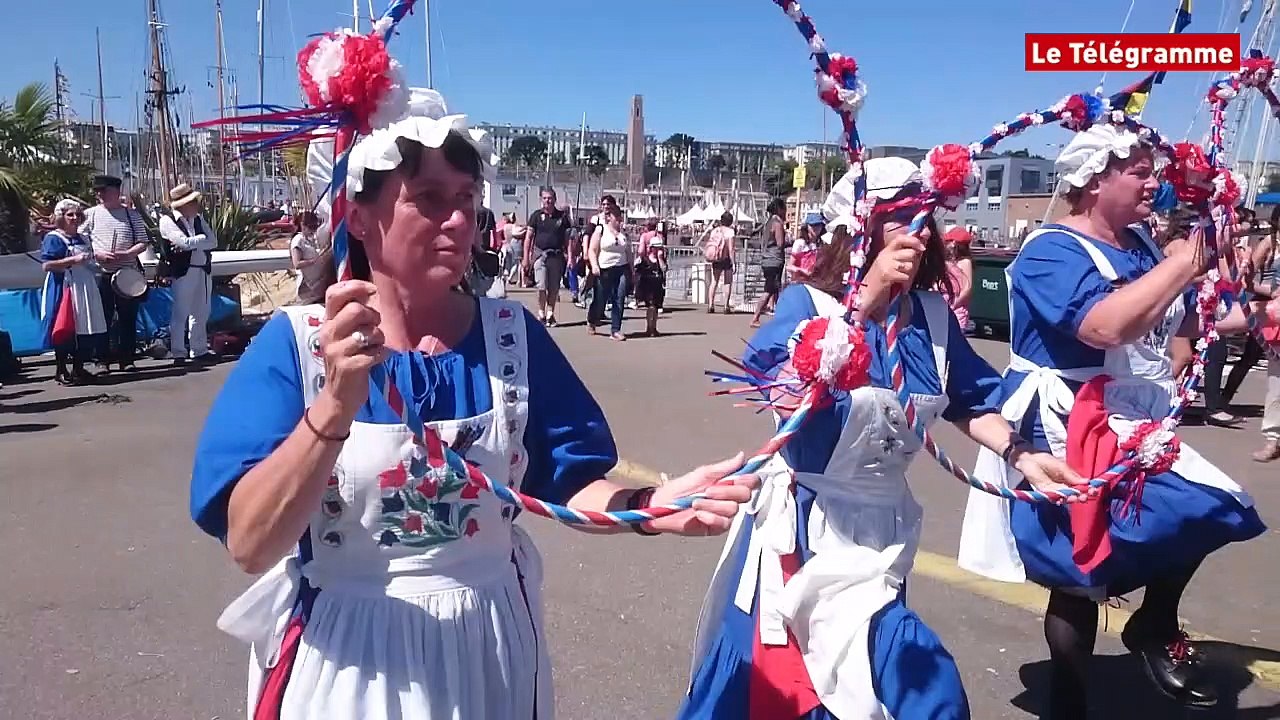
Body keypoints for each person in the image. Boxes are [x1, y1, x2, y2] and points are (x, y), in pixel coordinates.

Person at [190, 88, 759, 719]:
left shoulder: (511, 337)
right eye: (429, 199)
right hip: (350, 663)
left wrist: (653, 506)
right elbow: (250, 543)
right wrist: (333, 409)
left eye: (466, 198)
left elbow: (567, 480)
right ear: (358, 216)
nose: (460, 220)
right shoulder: (298, 347)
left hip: (490, 650)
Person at [680, 158, 1089, 720]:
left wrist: (1025, 456)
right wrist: (864, 300)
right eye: (900, 218)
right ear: (860, 230)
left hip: (885, 534)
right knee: (855, 685)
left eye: (924, 218)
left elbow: (969, 401)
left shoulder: (934, 319)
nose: (916, 232)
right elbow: (779, 397)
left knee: (863, 686)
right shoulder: (808, 305)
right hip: (805, 533)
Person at [959, 124, 1265, 717]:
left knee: (1213, 505)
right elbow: (1103, 326)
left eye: (1154, 172)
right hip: (1065, 417)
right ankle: (1072, 701)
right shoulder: (1050, 249)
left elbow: (1177, 319)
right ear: (1095, 180)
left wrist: (1248, 315)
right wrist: (1187, 262)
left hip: (1130, 412)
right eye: (1140, 172)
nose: (1154, 183)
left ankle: (1153, 621)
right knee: (1080, 571)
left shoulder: (1141, 244)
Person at [80, 174, 150, 371]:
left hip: (127, 274)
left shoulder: (132, 215)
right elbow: (81, 241)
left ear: (116, 192)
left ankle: (127, 359)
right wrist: (98, 254)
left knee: (128, 317)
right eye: (97, 191)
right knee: (102, 317)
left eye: (104, 191)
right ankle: (101, 359)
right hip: (101, 273)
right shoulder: (90, 214)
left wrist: (127, 253)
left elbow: (143, 242)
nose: (100, 195)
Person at [39, 199, 107, 385]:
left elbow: (90, 260)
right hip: (64, 285)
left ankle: (79, 367)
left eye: (77, 214)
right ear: (61, 217)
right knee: (65, 325)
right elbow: (47, 265)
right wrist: (73, 260)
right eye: (70, 215)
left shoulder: (83, 238)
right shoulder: (54, 238)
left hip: (85, 284)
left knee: (85, 325)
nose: (75, 218)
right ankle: (61, 369)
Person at [157, 183, 218, 363]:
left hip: (202, 268)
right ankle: (178, 352)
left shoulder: (198, 219)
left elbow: (213, 241)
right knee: (181, 312)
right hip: (183, 271)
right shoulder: (167, 220)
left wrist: (194, 242)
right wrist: (200, 240)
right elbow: (183, 243)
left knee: (201, 311)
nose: (196, 205)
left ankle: (199, 349)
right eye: (193, 202)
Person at [523, 188, 572, 326]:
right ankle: (541, 312)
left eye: (550, 198)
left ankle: (550, 313)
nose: (547, 201)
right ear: (541, 200)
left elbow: (568, 239)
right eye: (544, 198)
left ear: (554, 199)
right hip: (540, 255)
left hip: (556, 256)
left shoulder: (562, 217)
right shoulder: (536, 216)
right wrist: (526, 258)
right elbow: (528, 238)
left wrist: (570, 257)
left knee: (554, 287)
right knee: (541, 286)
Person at [587, 206, 632, 340]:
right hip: (605, 268)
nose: (618, 219)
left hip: (621, 267)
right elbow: (592, 249)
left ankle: (615, 329)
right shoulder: (601, 229)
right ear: (608, 217)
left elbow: (628, 252)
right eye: (615, 216)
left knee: (619, 297)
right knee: (600, 299)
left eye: (619, 216)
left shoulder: (623, 234)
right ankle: (592, 319)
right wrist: (594, 265)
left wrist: (632, 269)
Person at [751, 198, 788, 328]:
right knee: (769, 289)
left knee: (774, 288)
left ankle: (778, 316)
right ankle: (755, 317)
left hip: (766, 259)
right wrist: (791, 241)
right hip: (774, 260)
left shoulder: (768, 222)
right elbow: (780, 243)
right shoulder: (777, 223)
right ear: (780, 209)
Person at [289, 211, 333, 305]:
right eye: (311, 227)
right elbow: (297, 264)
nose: (313, 230)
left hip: (317, 285)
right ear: (303, 225)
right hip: (308, 287)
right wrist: (312, 261)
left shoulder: (308, 240)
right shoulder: (298, 240)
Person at [633, 225, 668, 337]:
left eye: (660, 248)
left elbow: (664, 269)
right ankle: (650, 328)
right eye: (656, 248)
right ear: (651, 248)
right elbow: (638, 271)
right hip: (648, 286)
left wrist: (660, 259)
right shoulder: (645, 260)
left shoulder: (660, 260)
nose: (658, 250)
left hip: (657, 286)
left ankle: (653, 327)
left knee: (655, 308)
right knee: (651, 307)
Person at [701, 212, 736, 314]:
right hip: (726, 258)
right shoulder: (730, 232)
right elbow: (731, 249)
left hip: (716, 258)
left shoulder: (715, 230)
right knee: (727, 282)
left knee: (714, 281)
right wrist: (734, 262)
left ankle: (710, 305)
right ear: (730, 221)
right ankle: (726, 306)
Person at [941, 226, 974, 333]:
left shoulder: (965, 262)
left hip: (957, 309)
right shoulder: (946, 261)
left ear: (954, 243)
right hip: (942, 306)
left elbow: (967, 288)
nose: (946, 244)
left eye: (948, 242)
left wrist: (954, 304)